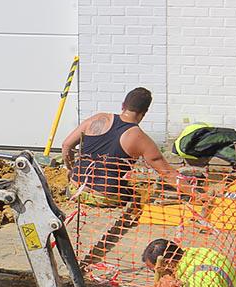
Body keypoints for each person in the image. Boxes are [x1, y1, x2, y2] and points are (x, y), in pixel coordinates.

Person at [62, 87, 191, 207]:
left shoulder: (97, 119)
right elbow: (168, 173)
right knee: (134, 195)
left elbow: (66, 145)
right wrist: (195, 194)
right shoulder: (139, 138)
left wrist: (71, 168)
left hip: (75, 190)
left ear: (123, 105)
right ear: (144, 113)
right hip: (104, 197)